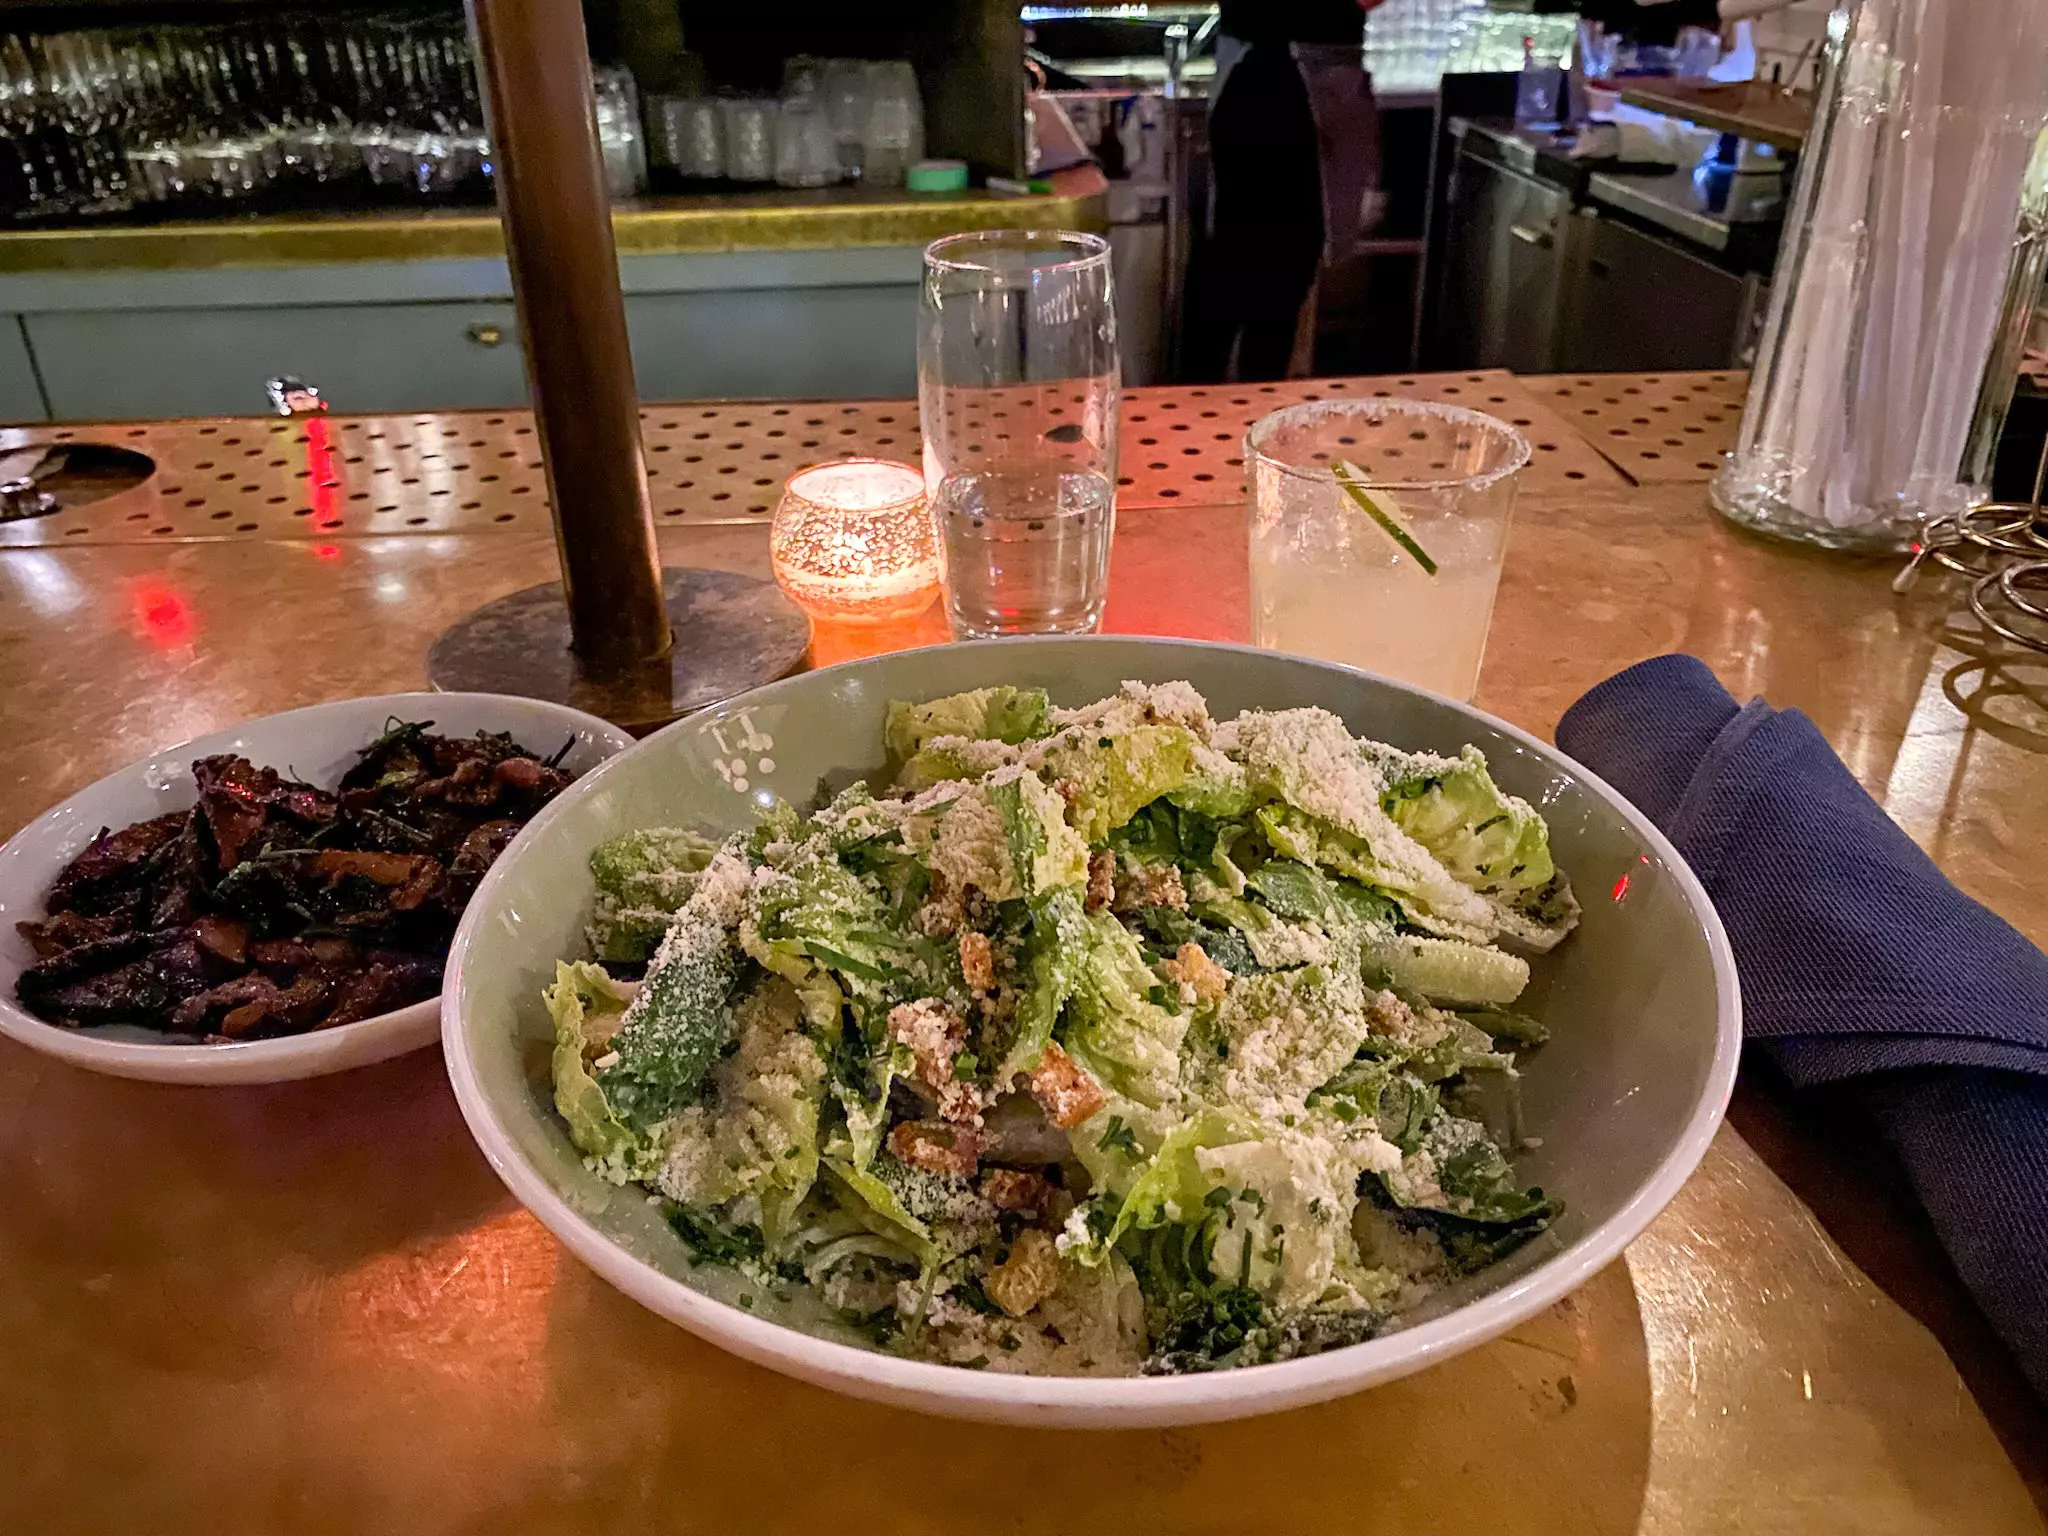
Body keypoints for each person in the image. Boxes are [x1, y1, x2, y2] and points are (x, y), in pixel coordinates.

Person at [1180, 0, 1388, 383]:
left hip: (1279, 70)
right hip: (1281, 75)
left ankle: (1213, 411)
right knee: (1266, 280)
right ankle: (1233, 413)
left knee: (1244, 275)